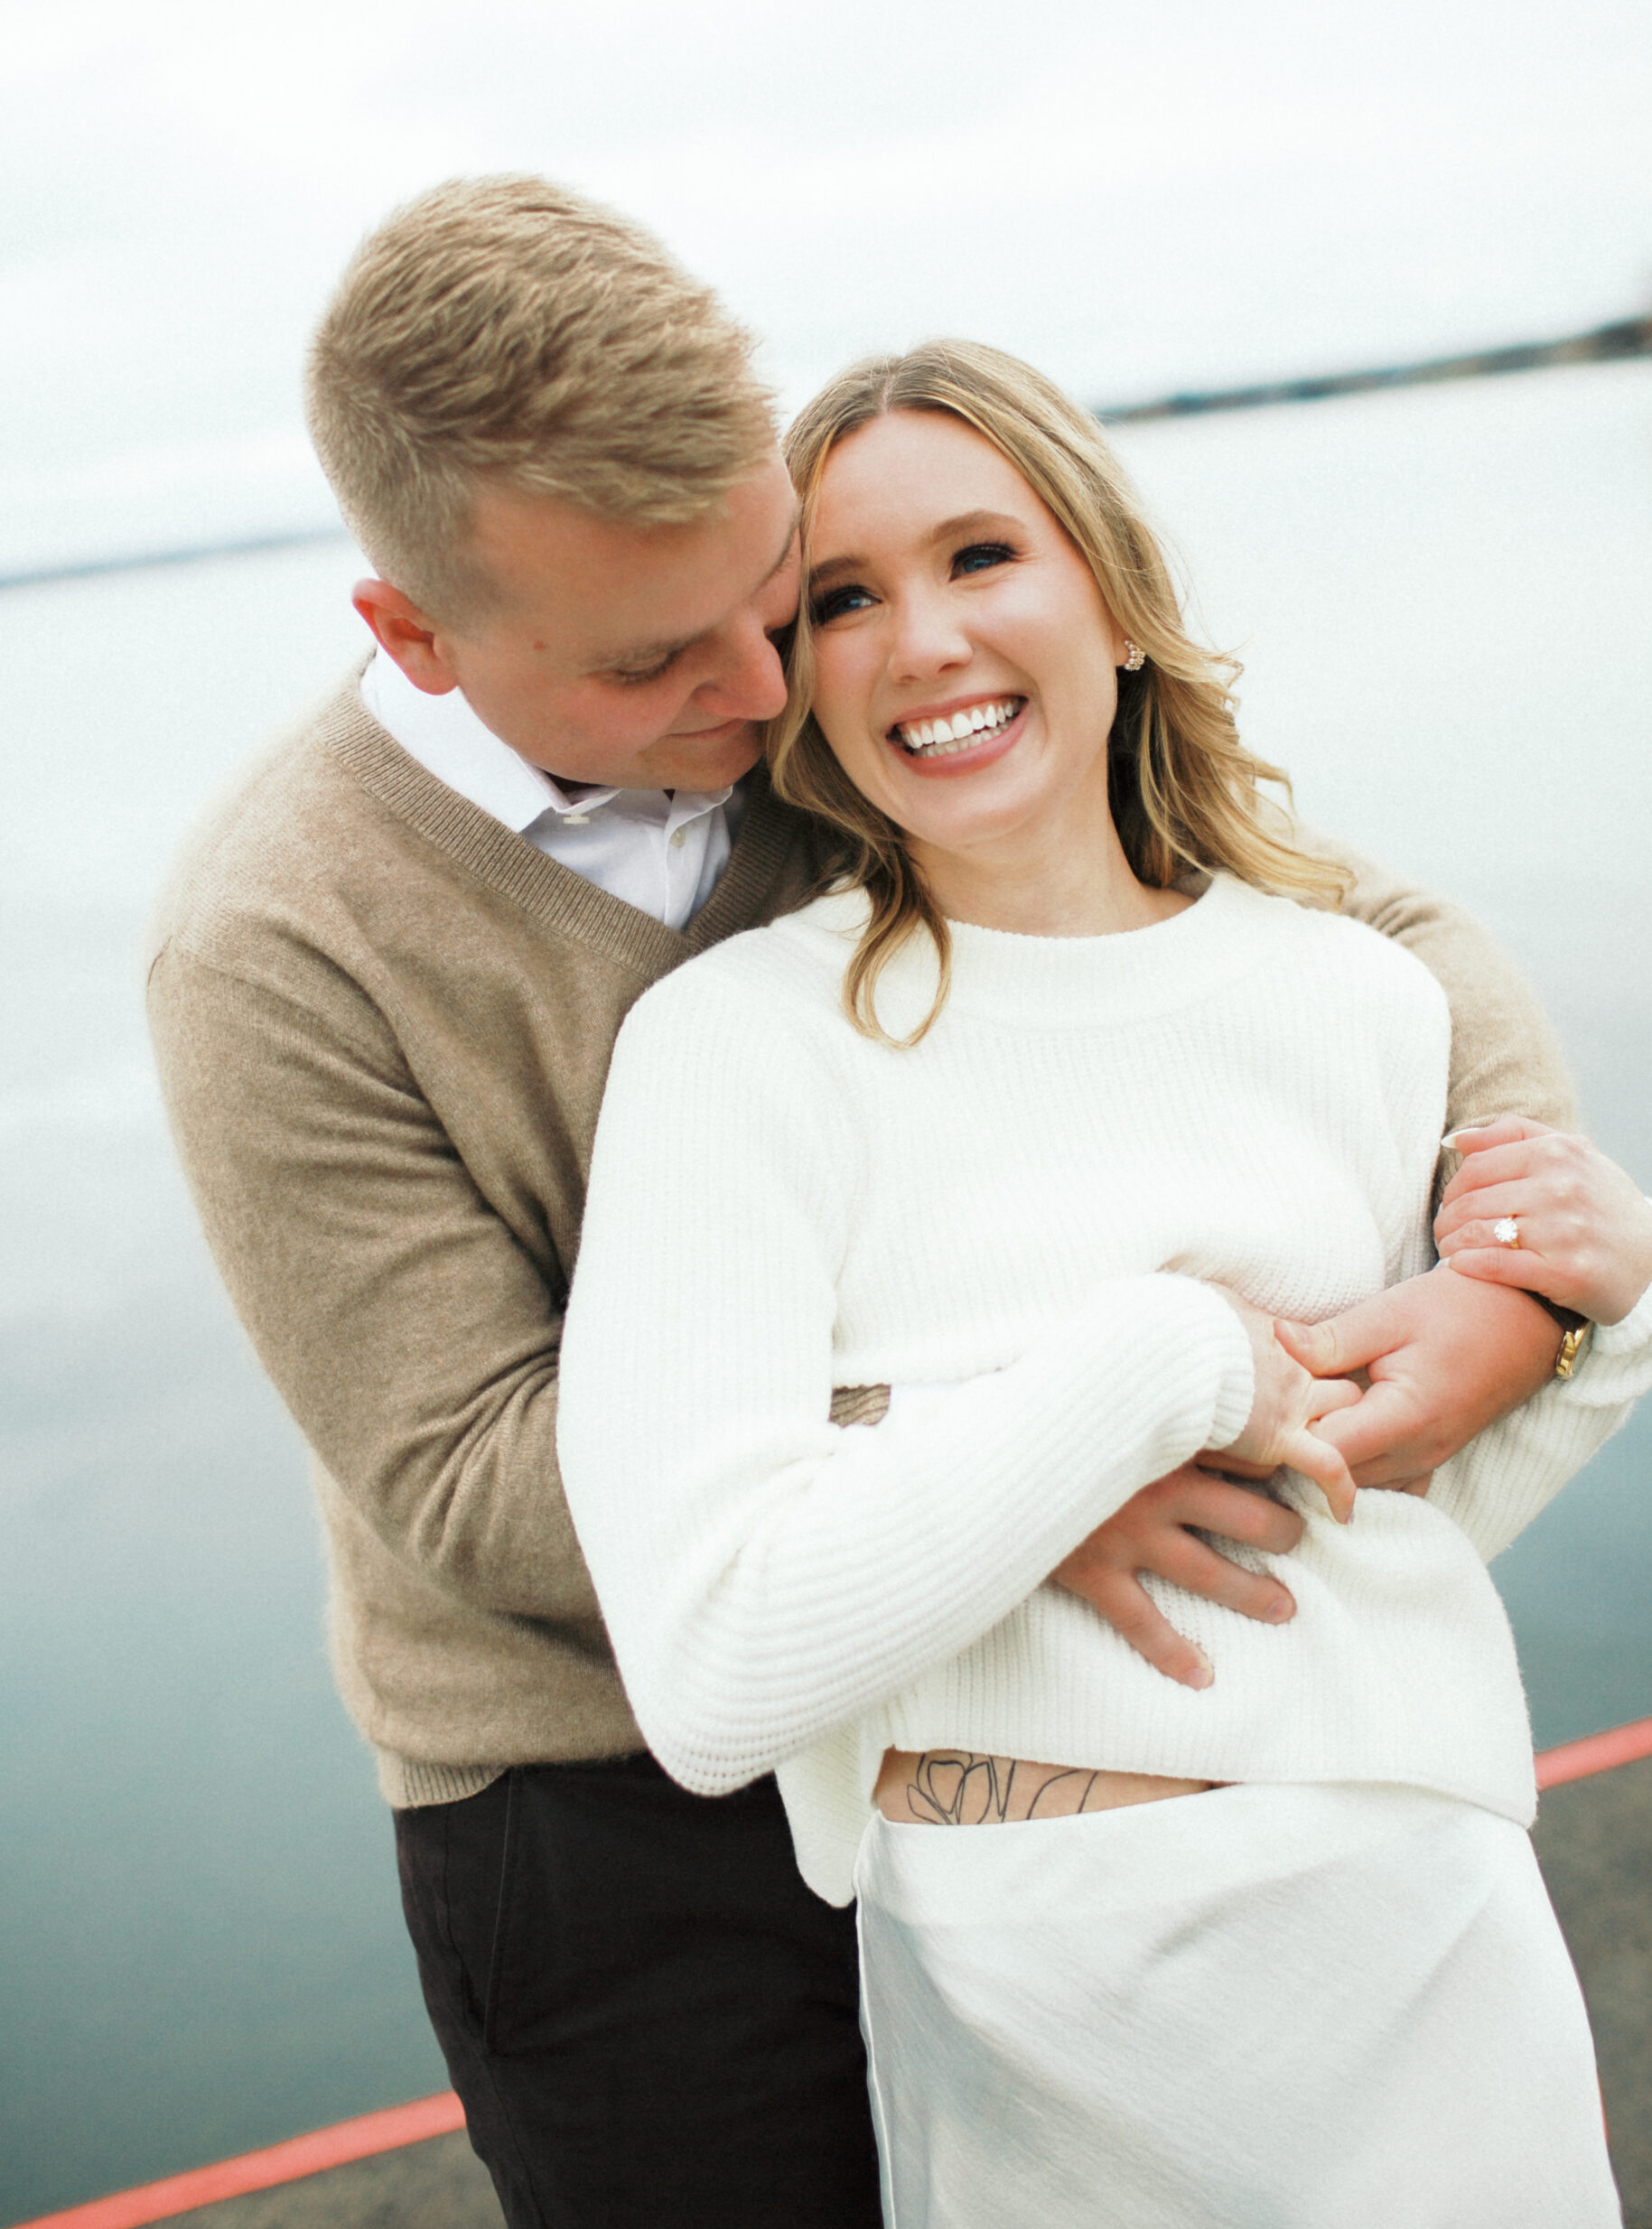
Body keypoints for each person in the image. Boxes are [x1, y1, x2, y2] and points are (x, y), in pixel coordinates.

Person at [147, 176, 1584, 2228]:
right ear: (418, 638)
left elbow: (1335, 920)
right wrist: (1022, 1474)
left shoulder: (819, 711)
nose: (760, 687)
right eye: (659, 657)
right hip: (603, 1804)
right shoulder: (272, 946)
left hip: (1027, 1742)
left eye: (773, 591)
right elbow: (463, 1471)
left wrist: (1522, 1273)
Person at [556, 340, 1652, 2225]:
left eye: (983, 555)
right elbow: (716, 1668)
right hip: (1033, 1992)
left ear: (1120, 601)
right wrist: (1157, 1363)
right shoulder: (735, 1047)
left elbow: (1362, 1531)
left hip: (1421, 1938)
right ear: (795, 676)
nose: (922, 643)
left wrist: (1598, 1326)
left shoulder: (1359, 999)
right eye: (843, 599)